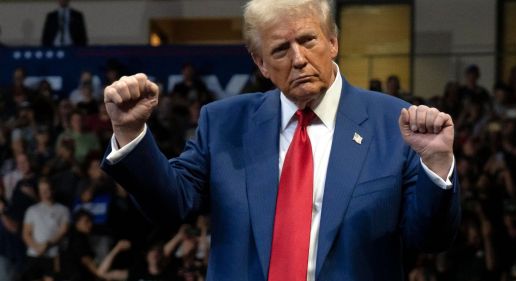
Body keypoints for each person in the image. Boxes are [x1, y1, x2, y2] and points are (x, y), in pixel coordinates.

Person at [101, 0, 460, 280]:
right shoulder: (224, 123)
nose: (299, 59)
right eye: (280, 50)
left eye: (308, 40)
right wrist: (130, 133)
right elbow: (171, 205)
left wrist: (437, 165)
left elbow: (430, 239)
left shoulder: (392, 123)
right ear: (260, 63)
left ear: (332, 42)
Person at [21, 178, 69, 280]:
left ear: (52, 190)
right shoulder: (32, 210)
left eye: (47, 190)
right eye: (41, 190)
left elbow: (63, 230)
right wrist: (37, 247)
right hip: (34, 254)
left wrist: (47, 244)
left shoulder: (63, 210)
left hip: (53, 255)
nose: (44, 193)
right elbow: (26, 233)